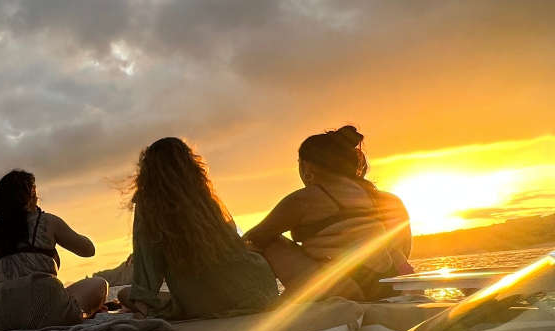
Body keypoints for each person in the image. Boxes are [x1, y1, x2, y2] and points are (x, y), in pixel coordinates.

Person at [243, 126, 412, 301]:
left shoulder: (305, 199)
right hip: (395, 281)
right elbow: (404, 247)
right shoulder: (389, 200)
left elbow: (253, 239)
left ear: (307, 166)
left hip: (345, 286)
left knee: (270, 241)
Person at [117, 138, 278, 319]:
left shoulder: (148, 206)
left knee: (124, 294)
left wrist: (140, 312)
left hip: (205, 302)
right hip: (256, 291)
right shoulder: (202, 198)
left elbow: (147, 262)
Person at [0, 169, 108, 330]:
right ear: (30, 196)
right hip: (47, 308)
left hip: (1, 318)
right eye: (35, 193)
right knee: (99, 284)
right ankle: (79, 314)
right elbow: (88, 250)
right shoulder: (47, 221)